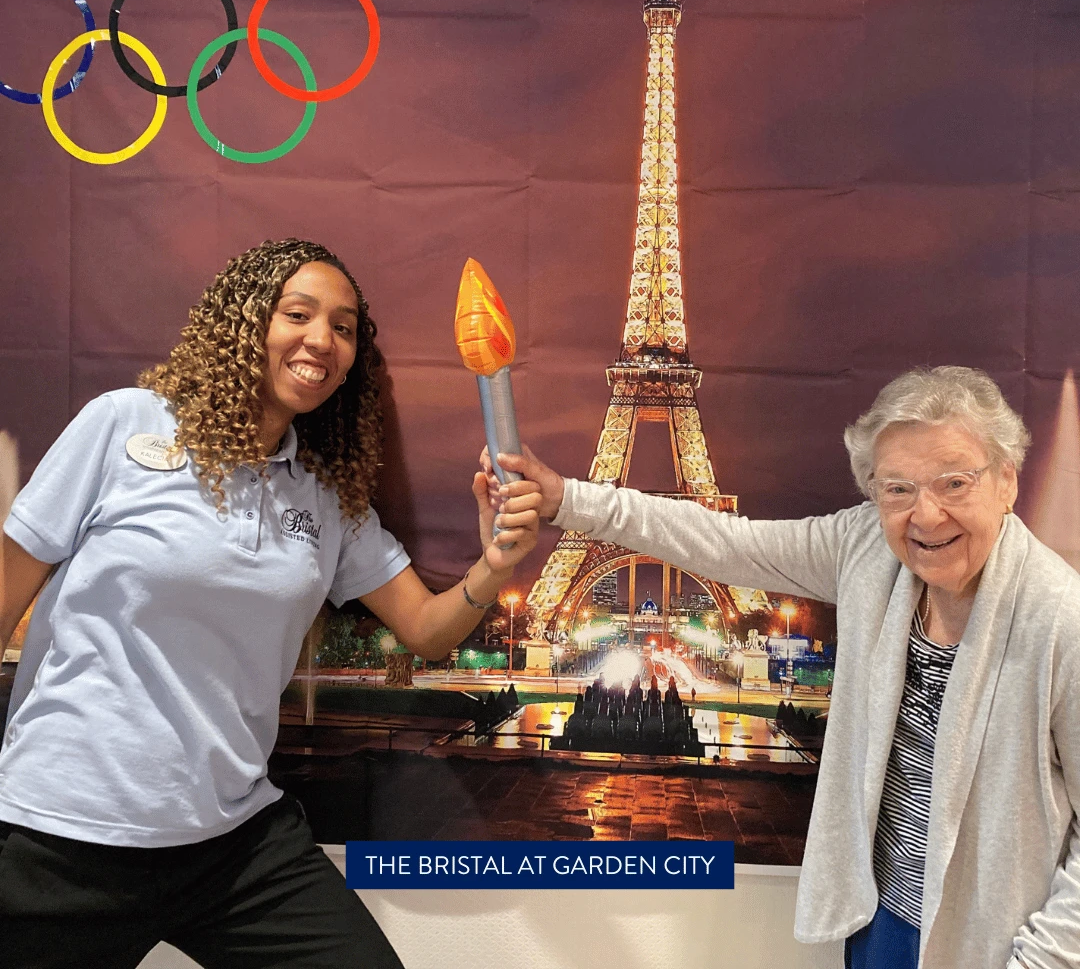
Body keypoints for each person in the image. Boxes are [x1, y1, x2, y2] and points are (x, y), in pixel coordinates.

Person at [0, 238, 541, 969]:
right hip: (61, 834)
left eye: (344, 327)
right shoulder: (124, 424)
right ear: (245, 322)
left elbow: (427, 630)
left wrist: (494, 563)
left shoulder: (328, 496)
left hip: (233, 845)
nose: (322, 339)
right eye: (299, 313)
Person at [488, 366, 1080, 969]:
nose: (925, 516)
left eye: (954, 483)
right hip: (880, 924)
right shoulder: (866, 547)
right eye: (897, 489)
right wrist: (569, 498)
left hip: (998, 946)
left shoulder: (1064, 620)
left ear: (1007, 480)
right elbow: (722, 541)